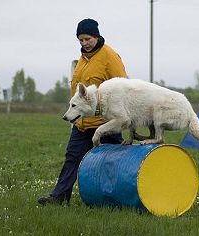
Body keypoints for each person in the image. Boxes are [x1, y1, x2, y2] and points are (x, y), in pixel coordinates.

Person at [38, 18, 127, 205]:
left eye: (88, 39)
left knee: (114, 162)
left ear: (96, 36)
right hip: (81, 123)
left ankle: (119, 199)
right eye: (80, 40)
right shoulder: (83, 59)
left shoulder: (109, 56)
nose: (84, 43)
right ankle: (59, 197)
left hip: (105, 123)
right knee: (72, 158)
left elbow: (123, 86)